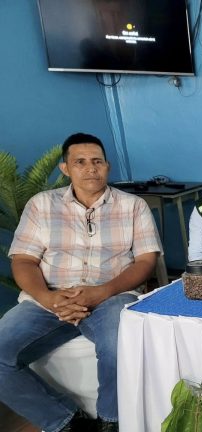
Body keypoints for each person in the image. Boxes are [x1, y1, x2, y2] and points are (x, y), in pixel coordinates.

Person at [0, 133, 162, 432]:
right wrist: (48, 298)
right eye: (81, 162)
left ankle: (112, 420)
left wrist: (101, 292)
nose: (91, 169)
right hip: (49, 298)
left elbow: (145, 261)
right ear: (65, 169)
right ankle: (67, 422)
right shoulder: (41, 205)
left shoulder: (133, 206)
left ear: (108, 166)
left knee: (117, 344)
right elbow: (23, 260)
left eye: (97, 161)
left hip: (112, 294)